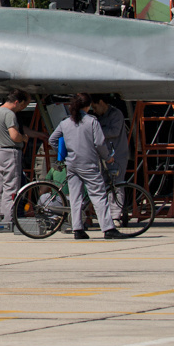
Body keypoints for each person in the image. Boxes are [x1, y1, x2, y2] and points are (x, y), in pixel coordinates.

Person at [48, 93, 122, 239]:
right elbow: (100, 143)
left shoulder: (66, 122)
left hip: (72, 164)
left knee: (75, 197)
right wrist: (107, 158)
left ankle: (77, 229)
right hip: (89, 163)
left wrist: (63, 154)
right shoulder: (92, 121)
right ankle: (108, 228)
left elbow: (52, 139)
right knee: (98, 195)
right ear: (87, 106)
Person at [0, 89, 29, 226]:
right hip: (11, 151)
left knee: (0, 187)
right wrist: (23, 138)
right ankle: (8, 220)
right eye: (22, 105)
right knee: (11, 187)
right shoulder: (9, 114)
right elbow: (14, 135)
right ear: (17, 102)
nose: (21, 109)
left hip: (0, 151)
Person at [90, 96, 130, 184]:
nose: (94, 111)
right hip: (105, 156)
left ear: (101, 102)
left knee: (117, 184)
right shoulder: (99, 117)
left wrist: (97, 132)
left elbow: (115, 131)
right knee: (104, 184)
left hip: (117, 156)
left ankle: (117, 198)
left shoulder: (116, 114)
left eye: (95, 107)